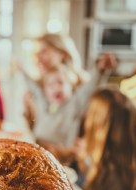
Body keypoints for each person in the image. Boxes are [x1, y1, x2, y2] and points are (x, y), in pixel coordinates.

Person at [21, 32, 116, 162]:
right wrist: (28, 115)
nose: (37, 57)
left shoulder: (81, 92)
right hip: (43, 157)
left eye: (44, 51)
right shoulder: (37, 92)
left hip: (72, 162)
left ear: (62, 54)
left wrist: (100, 70)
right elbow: (37, 131)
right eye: (36, 53)